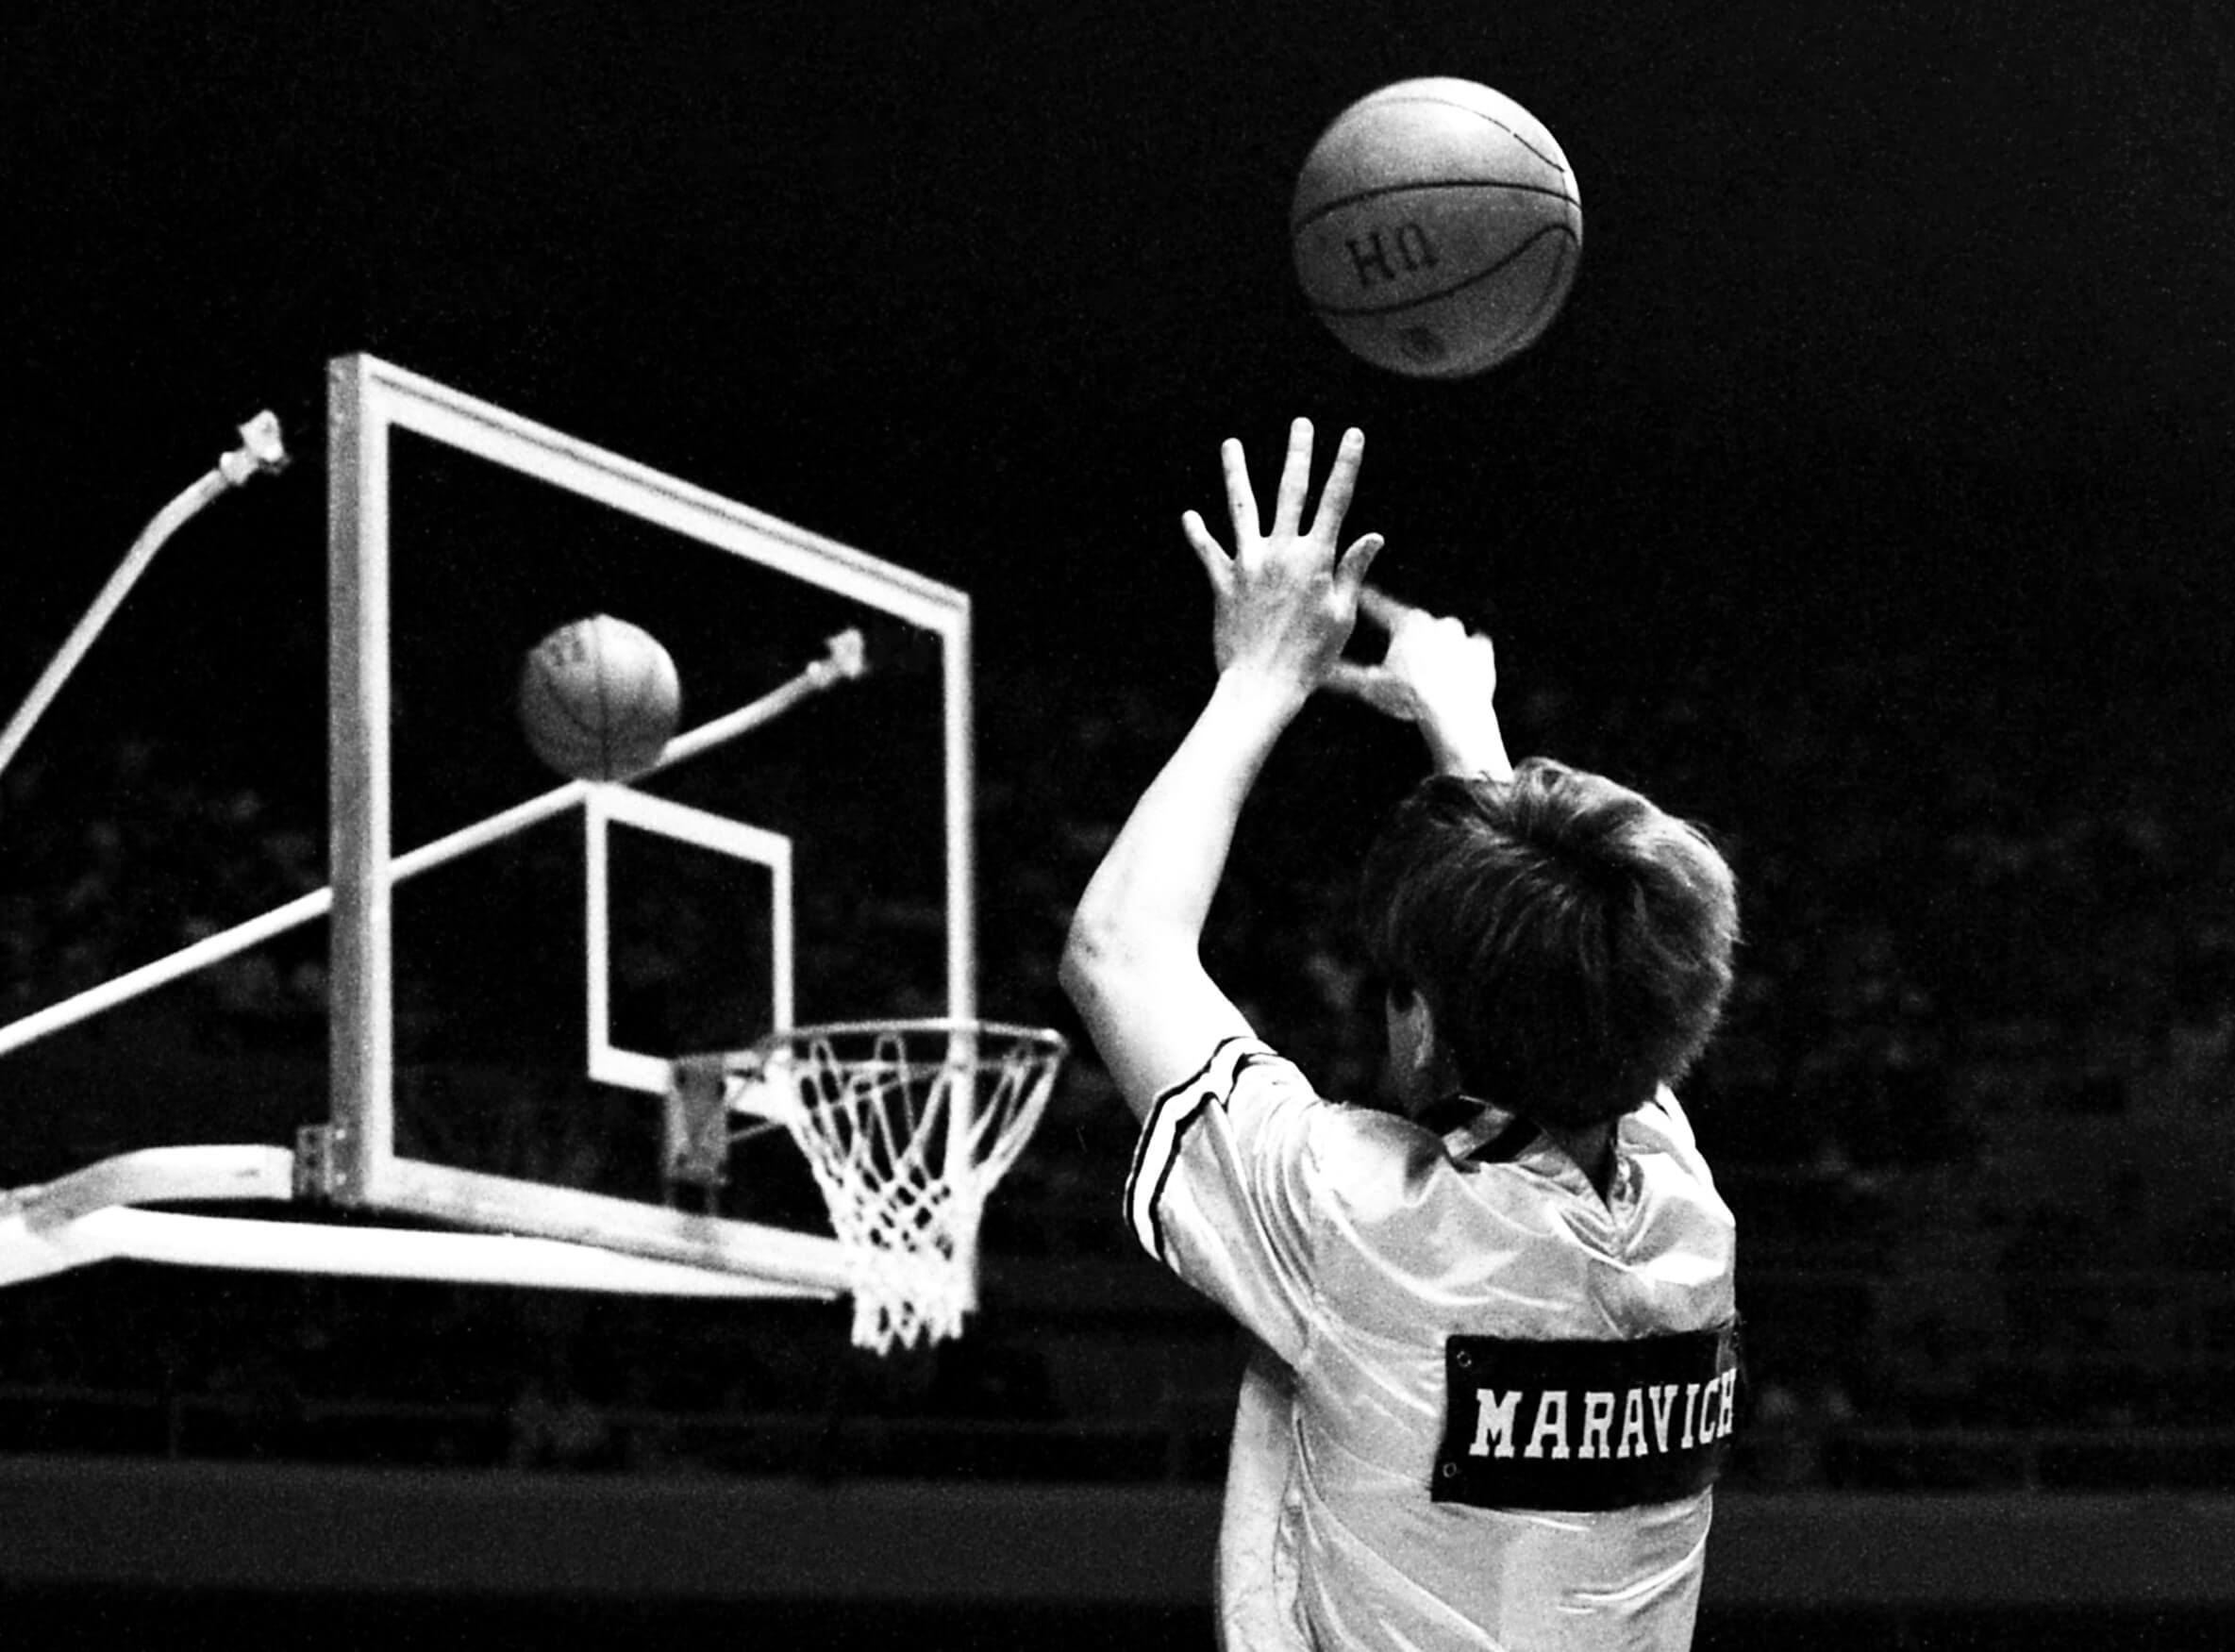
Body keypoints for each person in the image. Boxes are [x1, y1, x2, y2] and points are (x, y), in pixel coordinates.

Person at [1059, 419, 1743, 1650]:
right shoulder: (1683, 1213)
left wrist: (1259, 672)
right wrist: (1462, 729)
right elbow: (1584, 971)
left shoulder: (1362, 1217)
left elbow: (1119, 952)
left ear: (1421, 1028)